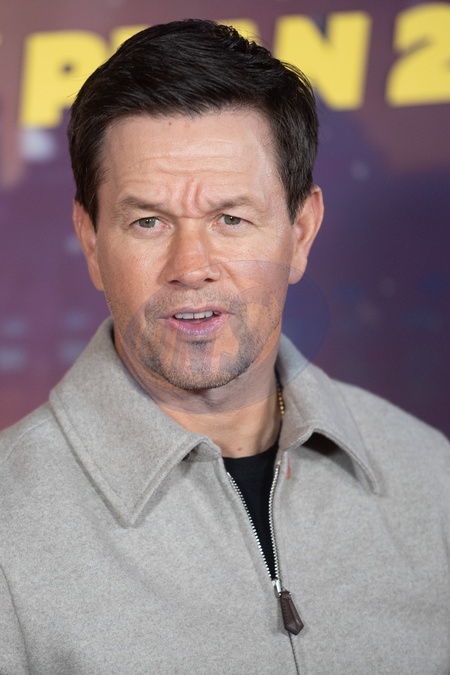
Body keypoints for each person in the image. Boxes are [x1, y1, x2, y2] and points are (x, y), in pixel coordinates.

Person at [1, 19, 449, 675]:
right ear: (91, 240)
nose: (191, 266)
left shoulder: (432, 479)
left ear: (300, 232)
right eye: (148, 221)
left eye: (230, 218)